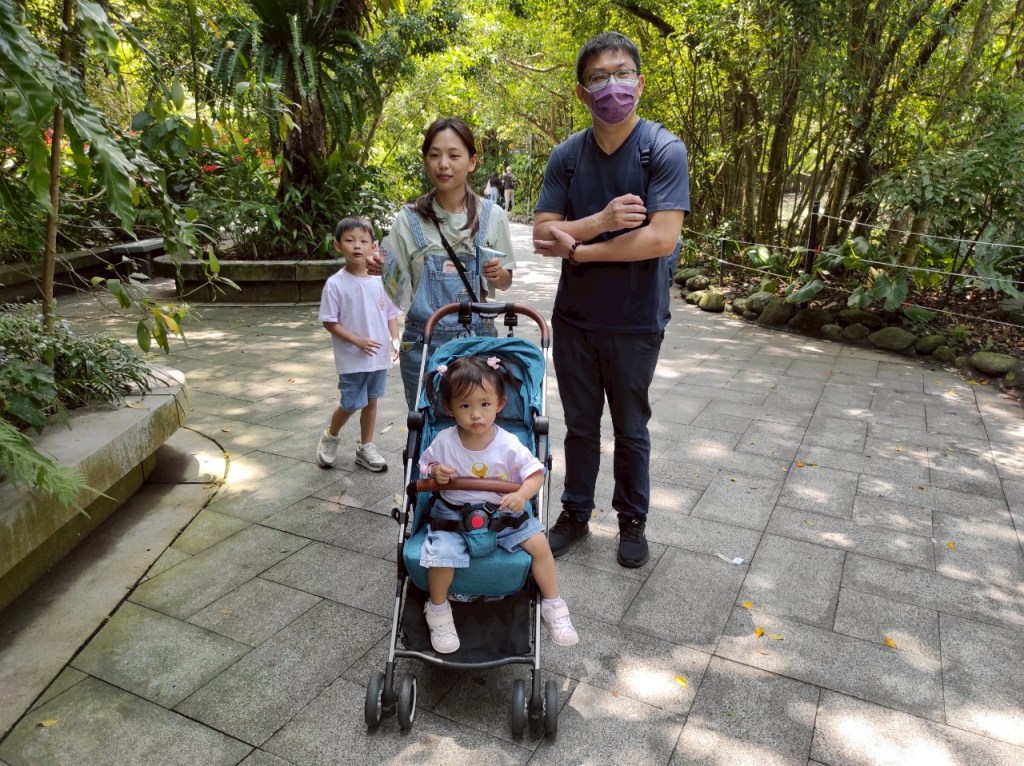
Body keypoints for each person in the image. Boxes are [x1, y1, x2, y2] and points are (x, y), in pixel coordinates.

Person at [532, 31, 690, 568]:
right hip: (575, 319)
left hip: (636, 320)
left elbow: (660, 239)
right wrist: (599, 222)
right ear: (582, 92)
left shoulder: (661, 150)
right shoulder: (567, 156)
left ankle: (632, 520)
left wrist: (581, 250)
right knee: (579, 426)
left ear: (640, 83)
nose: (612, 87)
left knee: (630, 427)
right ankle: (575, 513)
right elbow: (541, 235)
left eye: (622, 74)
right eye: (599, 78)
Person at [417, 355, 579, 653]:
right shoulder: (444, 440)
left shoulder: (509, 444)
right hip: (453, 517)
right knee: (441, 558)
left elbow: (535, 474)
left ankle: (553, 604)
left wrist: (523, 495)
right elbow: (424, 466)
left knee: (540, 545)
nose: (476, 415)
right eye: (465, 406)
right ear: (449, 407)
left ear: (500, 404)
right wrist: (436, 472)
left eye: (484, 404)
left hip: (503, 514)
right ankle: (438, 611)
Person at [377, 118, 516, 411]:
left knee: (476, 427)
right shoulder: (408, 219)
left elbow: (505, 282)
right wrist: (378, 267)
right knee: (425, 426)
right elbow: (394, 286)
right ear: (425, 160)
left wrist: (498, 273)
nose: (443, 164)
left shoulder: (493, 216)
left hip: (477, 342)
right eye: (434, 155)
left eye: (454, 155)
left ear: (472, 162)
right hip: (423, 342)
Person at [316, 216, 402, 472]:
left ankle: (366, 446)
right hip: (352, 357)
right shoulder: (335, 284)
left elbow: (391, 314)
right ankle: (330, 436)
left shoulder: (381, 280)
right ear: (337, 245)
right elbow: (329, 322)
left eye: (363, 241)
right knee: (351, 403)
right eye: (350, 240)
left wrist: (395, 339)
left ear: (373, 246)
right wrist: (357, 341)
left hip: (378, 354)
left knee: (372, 400)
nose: (357, 246)